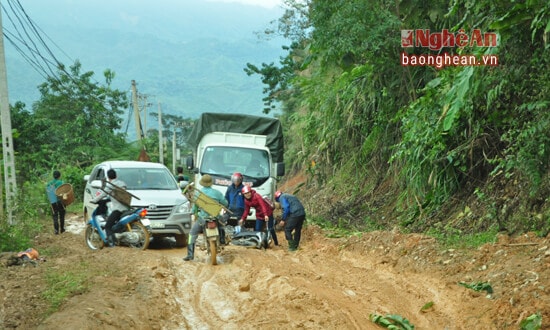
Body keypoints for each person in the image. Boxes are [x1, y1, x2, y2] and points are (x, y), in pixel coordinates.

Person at [183, 174, 228, 261]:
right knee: (222, 226)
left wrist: (193, 213)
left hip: (202, 219)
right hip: (216, 217)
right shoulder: (217, 193)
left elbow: (195, 208)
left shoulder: (198, 193)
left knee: (192, 234)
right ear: (211, 183)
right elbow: (225, 203)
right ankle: (222, 240)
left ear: (202, 183)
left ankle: (190, 255)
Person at [91, 169, 129, 247]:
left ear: (108, 177)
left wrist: (94, 200)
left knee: (108, 226)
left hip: (118, 209)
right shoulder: (122, 183)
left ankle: (112, 244)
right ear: (116, 175)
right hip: (126, 208)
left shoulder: (110, 185)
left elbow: (102, 194)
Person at [46, 170, 66, 234]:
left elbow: (48, 193)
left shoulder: (49, 184)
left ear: (53, 176)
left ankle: (56, 231)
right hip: (60, 201)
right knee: (62, 215)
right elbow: (64, 192)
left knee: (55, 216)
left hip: (53, 202)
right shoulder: (61, 182)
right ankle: (62, 229)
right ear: (59, 176)